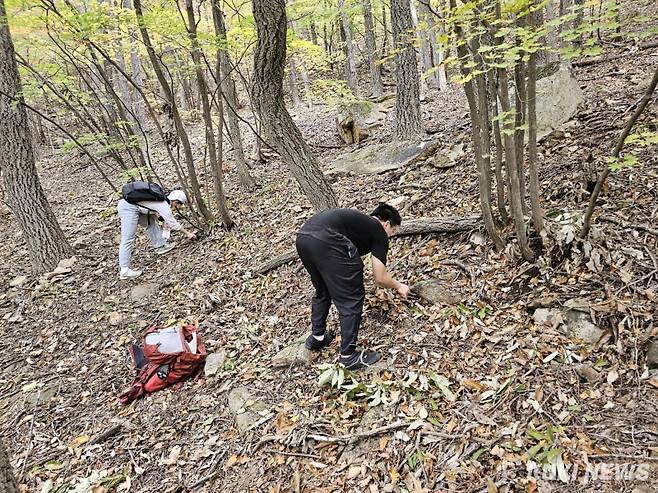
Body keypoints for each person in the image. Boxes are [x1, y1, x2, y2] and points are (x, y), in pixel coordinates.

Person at [295, 204, 410, 370]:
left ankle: (317, 337)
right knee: (351, 297)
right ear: (386, 223)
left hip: (304, 237)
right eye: (393, 231)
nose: (392, 235)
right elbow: (380, 277)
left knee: (323, 290)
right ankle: (348, 357)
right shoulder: (378, 231)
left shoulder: (359, 223)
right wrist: (399, 286)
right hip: (326, 239)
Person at [117, 189, 196, 280]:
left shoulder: (162, 199)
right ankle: (124, 270)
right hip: (128, 207)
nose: (178, 207)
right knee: (128, 238)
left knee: (151, 224)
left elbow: (149, 209)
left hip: (136, 207)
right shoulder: (164, 205)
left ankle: (161, 246)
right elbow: (173, 224)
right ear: (175, 201)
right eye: (179, 204)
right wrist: (188, 233)